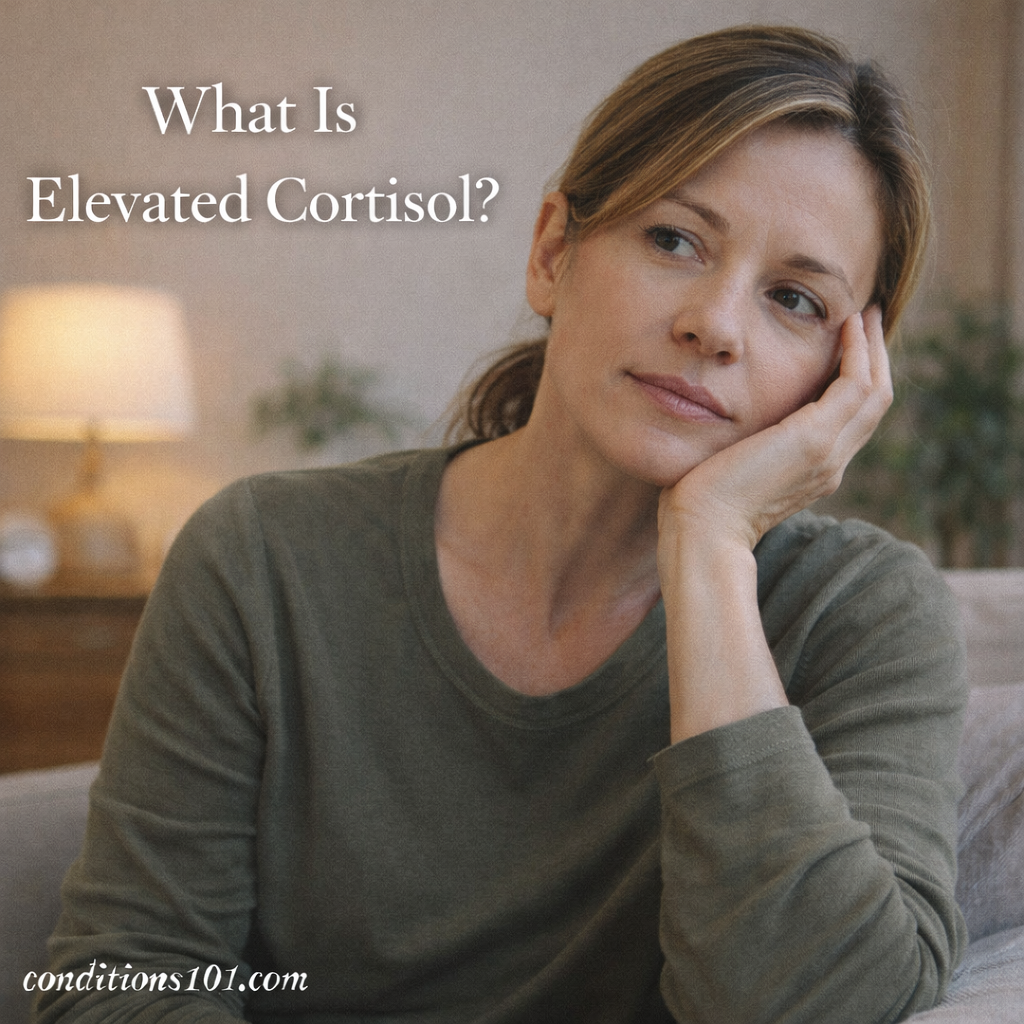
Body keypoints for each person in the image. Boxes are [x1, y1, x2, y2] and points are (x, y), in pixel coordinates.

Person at [35, 24, 967, 1024]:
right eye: (674, 239)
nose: (716, 324)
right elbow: (123, 979)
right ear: (553, 251)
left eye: (792, 298)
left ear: (843, 377)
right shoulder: (263, 558)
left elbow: (828, 1009)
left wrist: (706, 552)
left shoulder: (860, 613)